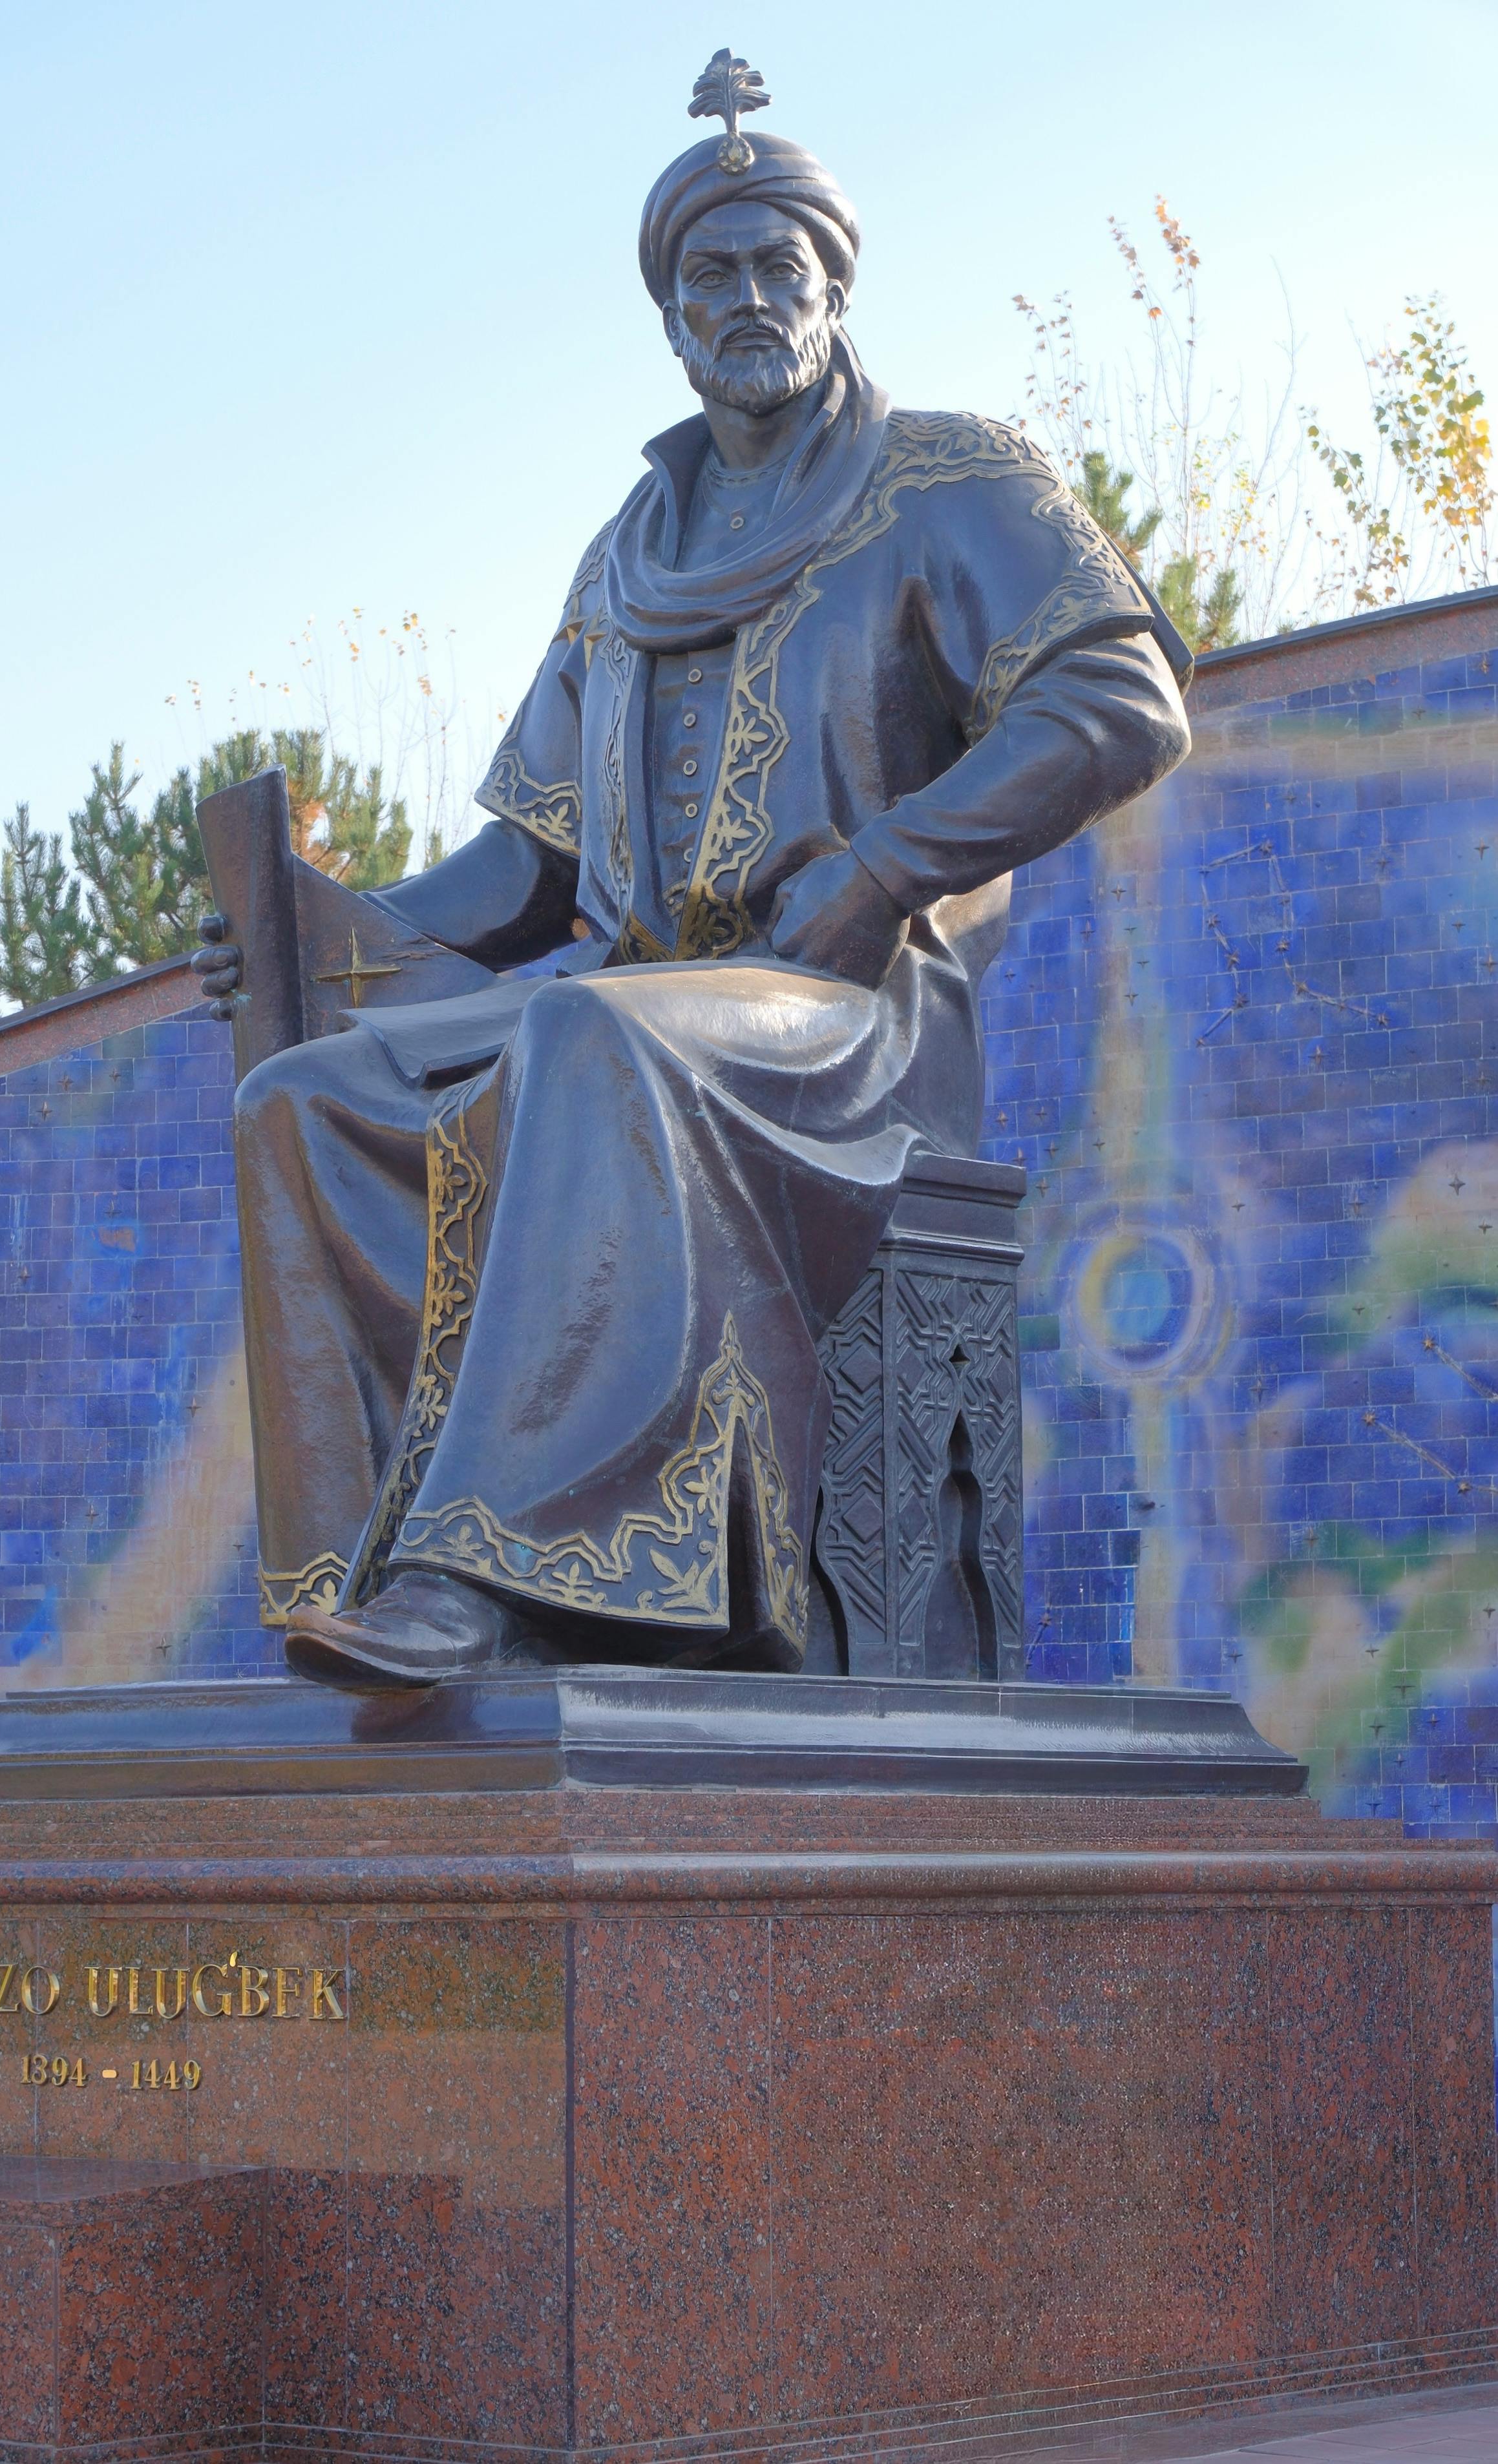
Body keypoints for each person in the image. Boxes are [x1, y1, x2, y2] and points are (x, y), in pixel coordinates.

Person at [194, 59, 1192, 1689]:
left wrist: (883, 867)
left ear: (831, 288)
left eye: (776, 266)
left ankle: (498, 1570)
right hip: (638, 1010)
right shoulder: (622, 559)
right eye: (708, 275)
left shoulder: (951, 476)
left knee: (589, 1036)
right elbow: (526, 866)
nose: (745, 299)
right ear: (668, 321)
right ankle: (359, 1567)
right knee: (297, 1098)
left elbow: (1119, 698)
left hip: (846, 1015)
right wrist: (309, 939)